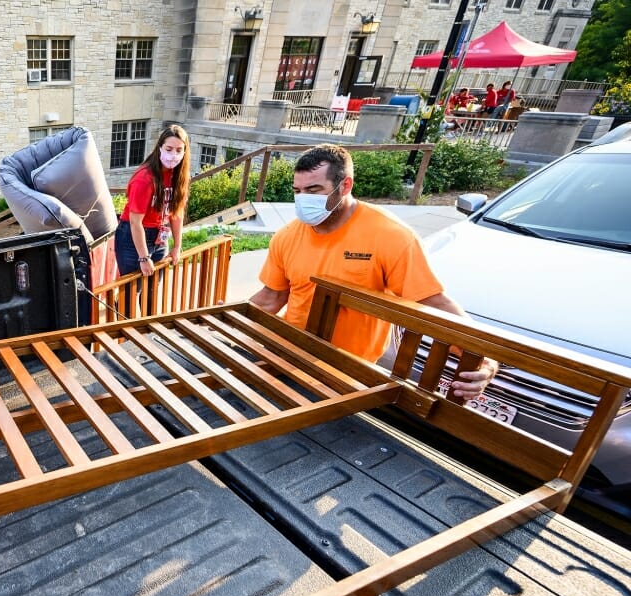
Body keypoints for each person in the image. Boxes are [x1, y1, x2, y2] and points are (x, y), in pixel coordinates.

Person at [249, 144, 497, 400]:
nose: (303, 200)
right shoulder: (288, 236)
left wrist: (483, 357)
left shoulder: (389, 235)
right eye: (297, 191)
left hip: (350, 372)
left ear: (345, 186)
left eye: (314, 190)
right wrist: (228, 318)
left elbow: (432, 301)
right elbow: (272, 296)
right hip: (290, 355)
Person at [115, 124, 190, 277]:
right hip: (133, 236)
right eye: (169, 149)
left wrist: (177, 246)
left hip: (160, 235)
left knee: (152, 291)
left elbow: (177, 213)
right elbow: (135, 221)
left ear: (185, 151)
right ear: (160, 148)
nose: (173, 155)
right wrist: (143, 257)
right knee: (131, 292)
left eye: (179, 150)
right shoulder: (144, 178)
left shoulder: (180, 177)